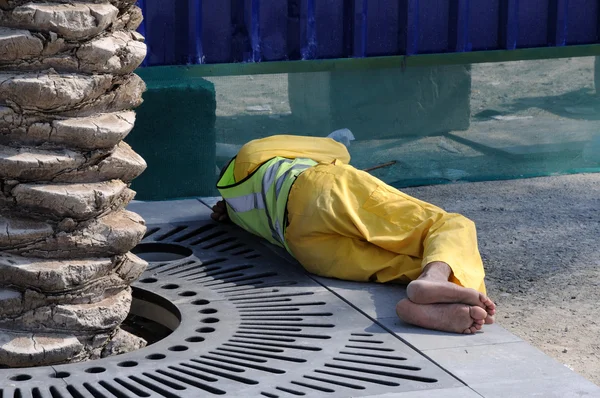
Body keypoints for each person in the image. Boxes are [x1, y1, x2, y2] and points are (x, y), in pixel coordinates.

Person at [212, 135, 496, 334]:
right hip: (321, 192)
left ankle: (440, 304)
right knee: (448, 224)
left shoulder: (235, 210)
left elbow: (231, 212)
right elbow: (335, 150)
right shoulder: (251, 154)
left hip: (305, 248)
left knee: (402, 263)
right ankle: (435, 280)